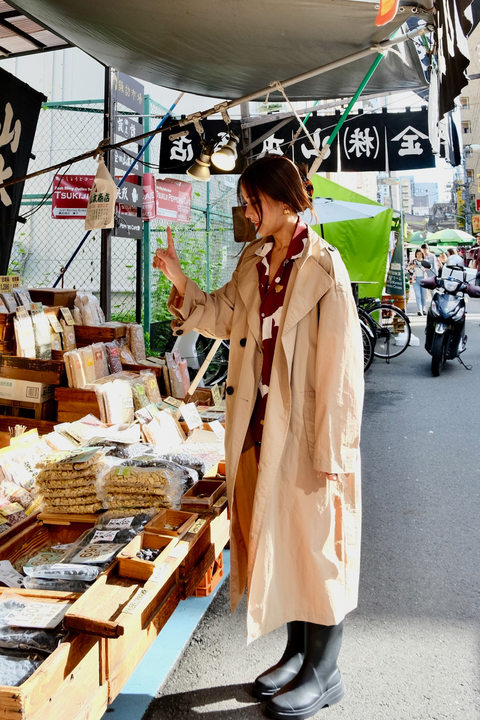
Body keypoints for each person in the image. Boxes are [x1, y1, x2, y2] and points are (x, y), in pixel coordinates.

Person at [153, 155, 364, 720]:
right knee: (286, 541)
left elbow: (343, 370)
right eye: (246, 203)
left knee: (318, 547)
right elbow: (223, 315)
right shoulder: (255, 261)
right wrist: (179, 279)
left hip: (308, 433)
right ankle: (298, 654)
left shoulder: (325, 267)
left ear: (285, 200)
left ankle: (325, 671)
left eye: (254, 202)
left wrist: (334, 450)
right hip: (258, 427)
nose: (247, 213)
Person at [408, 248, 427, 315]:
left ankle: (423, 308)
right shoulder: (413, 261)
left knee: (423, 295)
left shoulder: (425, 261)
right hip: (415, 279)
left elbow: (429, 269)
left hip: (424, 279)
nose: (419, 255)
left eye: (420, 254)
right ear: (416, 254)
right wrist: (411, 266)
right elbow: (407, 268)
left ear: (422, 254)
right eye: (418, 254)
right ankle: (419, 309)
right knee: (418, 295)